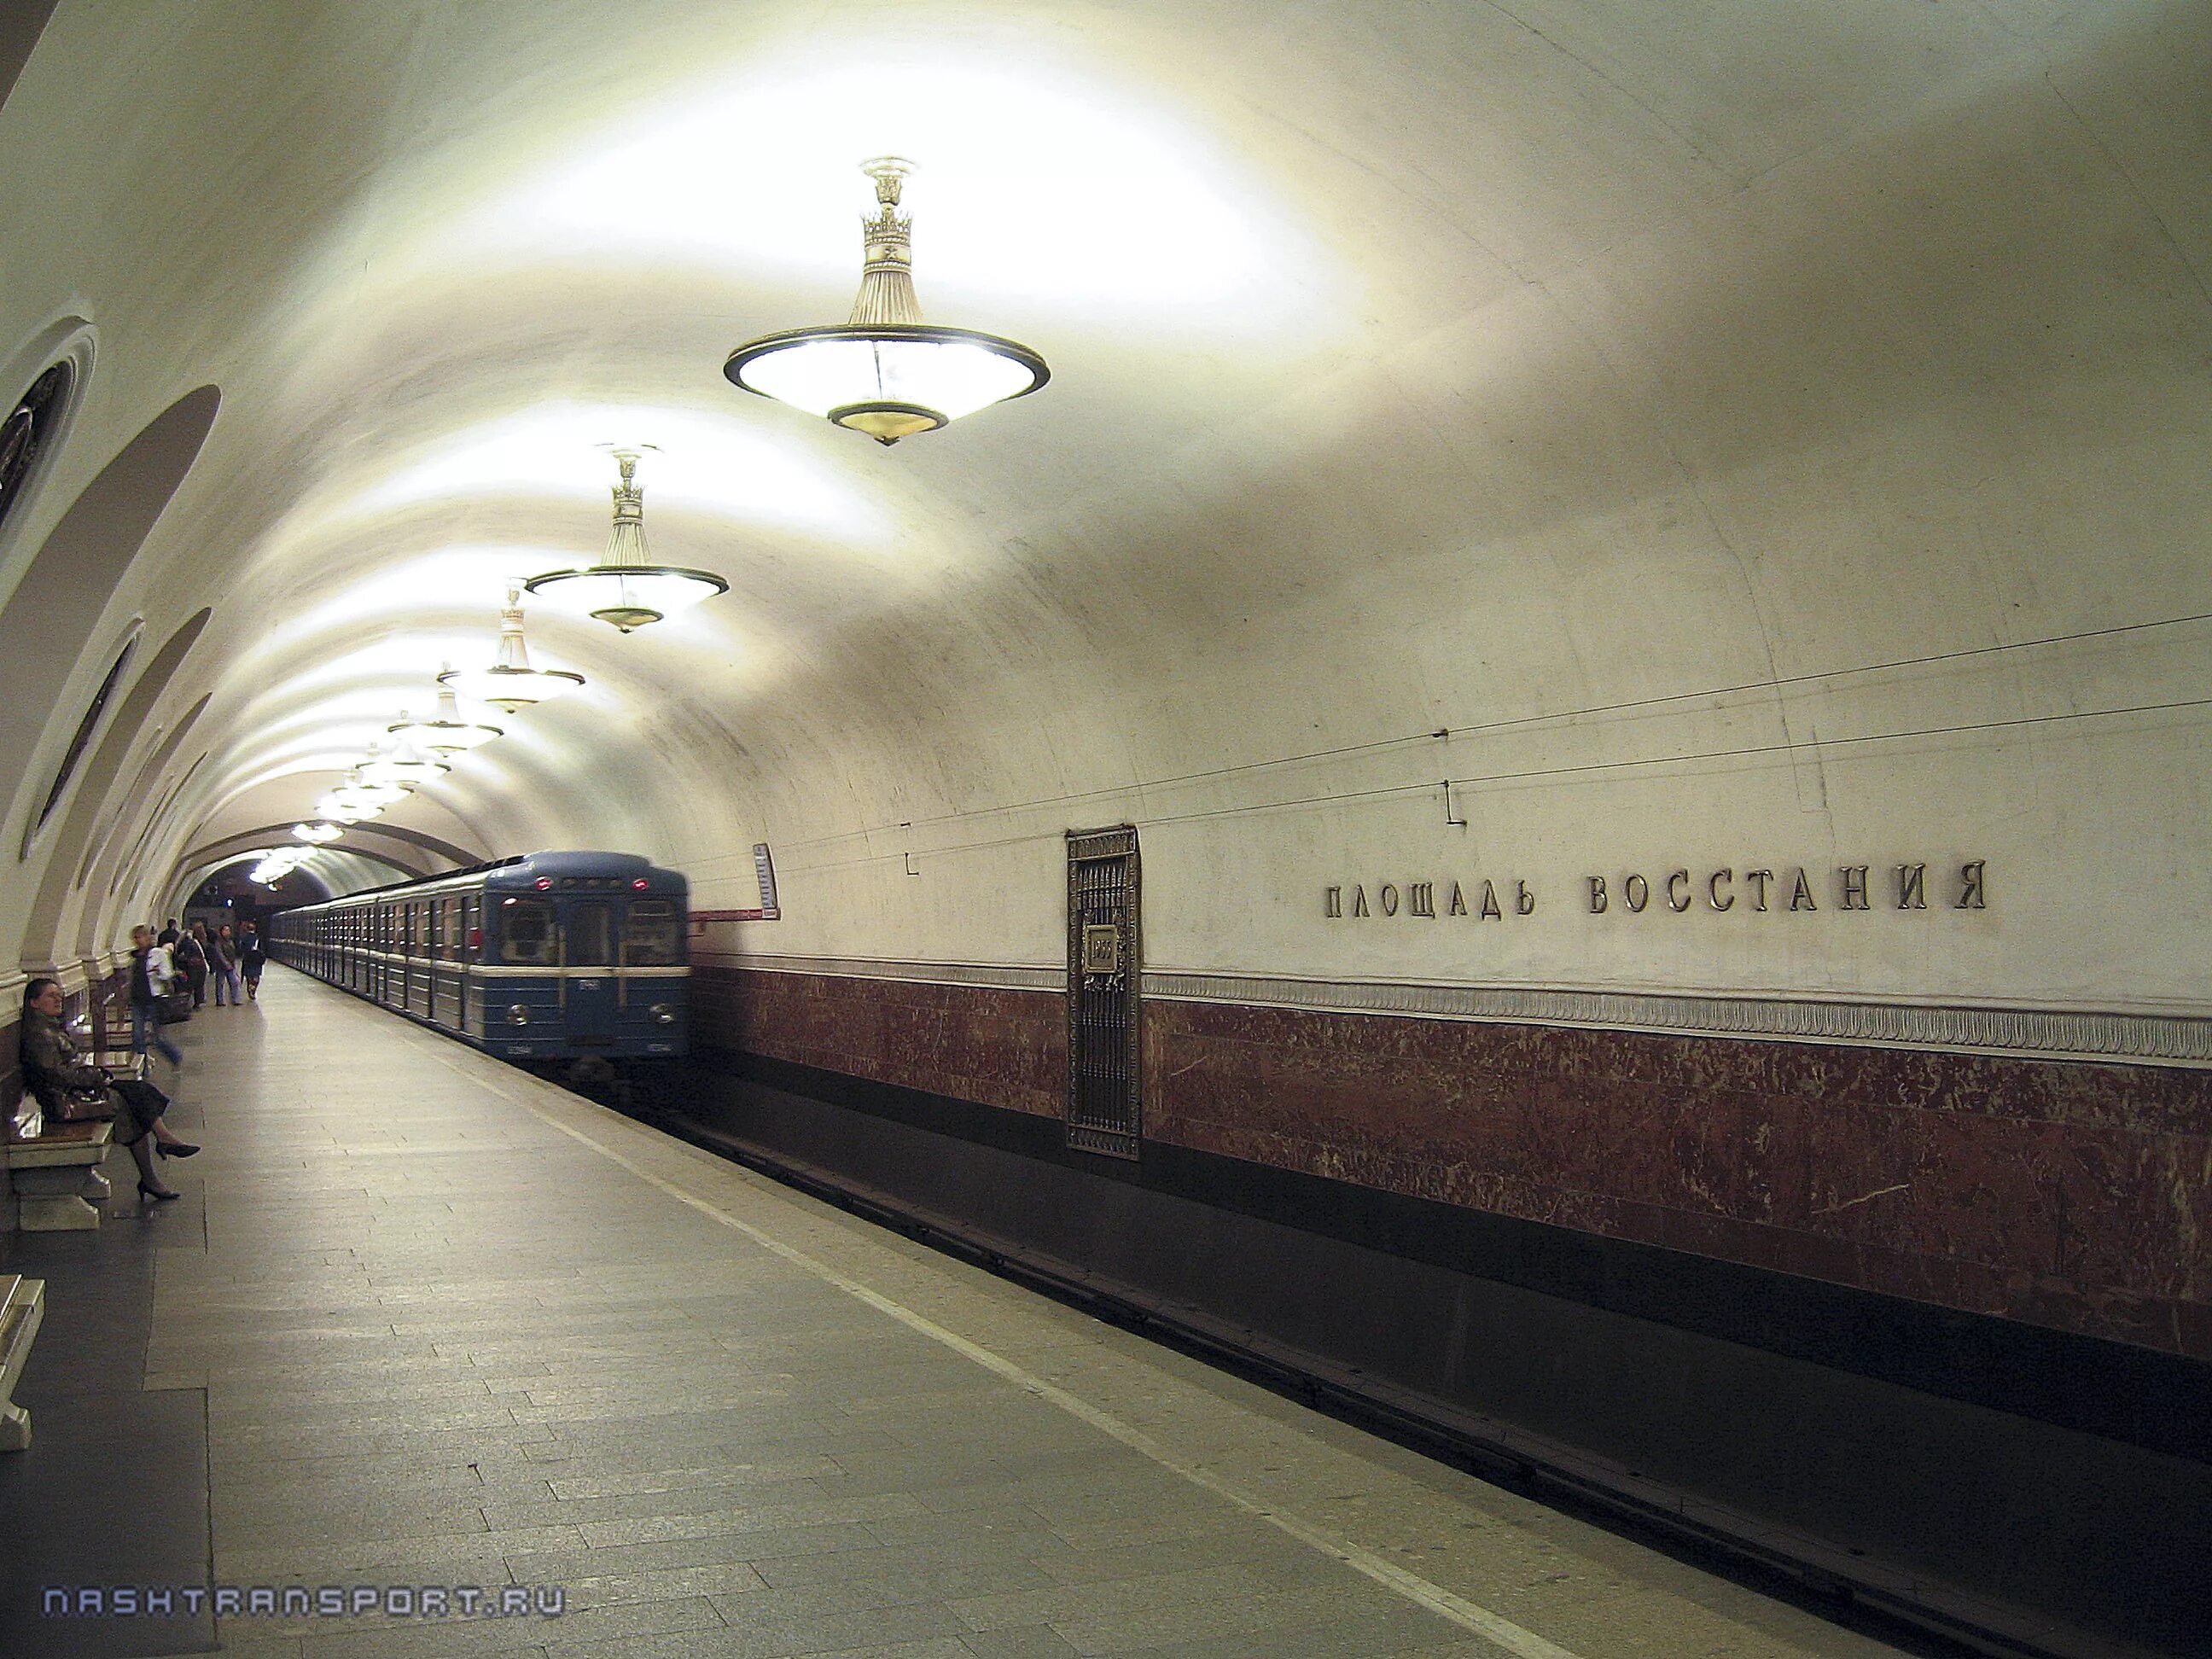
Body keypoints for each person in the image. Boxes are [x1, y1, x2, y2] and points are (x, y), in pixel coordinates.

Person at [21, 977, 198, 1202]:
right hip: (64, 1102)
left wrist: (92, 1076)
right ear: (34, 1002)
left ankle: (159, 1153)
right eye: (50, 996)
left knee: (138, 1094)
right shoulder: (41, 1035)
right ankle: (157, 1159)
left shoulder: (47, 1027)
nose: (58, 1000)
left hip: (76, 1092)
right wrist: (94, 1076)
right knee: (134, 1101)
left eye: (59, 994)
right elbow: (56, 1075)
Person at [126, 924, 184, 1070]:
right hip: (138, 999)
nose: (137, 941)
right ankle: (142, 1067)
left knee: (158, 1038)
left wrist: (157, 971)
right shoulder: (135, 956)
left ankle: (175, 1056)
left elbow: (168, 974)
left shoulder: (158, 953)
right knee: (137, 1036)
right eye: (135, 938)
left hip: (154, 999)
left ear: (147, 937)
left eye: (140, 937)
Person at [176, 921, 209, 1008]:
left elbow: (185, 953)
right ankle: (196, 1002)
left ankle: (188, 1002)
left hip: (194, 966)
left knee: (192, 985)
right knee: (198, 985)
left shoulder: (191, 941)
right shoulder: (200, 941)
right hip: (199, 966)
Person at [211, 924, 242, 1005]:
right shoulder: (218, 942)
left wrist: (233, 964)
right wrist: (226, 964)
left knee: (234, 982)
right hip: (221, 966)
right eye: (225, 930)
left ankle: (235, 999)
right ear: (221, 931)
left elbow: (233, 953)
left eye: (228, 930)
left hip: (231, 965)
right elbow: (219, 954)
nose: (227, 932)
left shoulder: (231, 941)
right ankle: (220, 1001)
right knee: (220, 983)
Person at [238, 921, 266, 1000]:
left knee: (249, 976)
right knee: (256, 976)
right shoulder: (258, 938)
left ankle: (249, 987)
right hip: (257, 960)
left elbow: (241, 949)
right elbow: (262, 949)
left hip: (248, 960)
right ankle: (253, 989)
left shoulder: (244, 938)